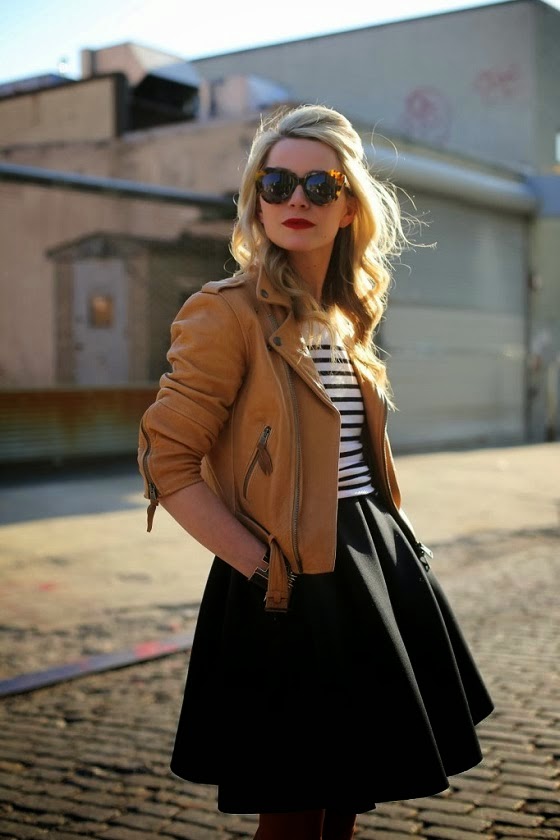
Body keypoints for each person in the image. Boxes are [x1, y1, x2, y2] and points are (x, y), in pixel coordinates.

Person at [137, 103, 494, 840]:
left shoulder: (346, 314)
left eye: (320, 185)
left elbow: (355, 461)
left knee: (346, 798)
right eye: (276, 183)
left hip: (373, 562)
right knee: (294, 813)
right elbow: (166, 460)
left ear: (349, 205)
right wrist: (261, 564)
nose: (296, 199)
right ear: (255, 201)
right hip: (289, 576)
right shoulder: (225, 311)